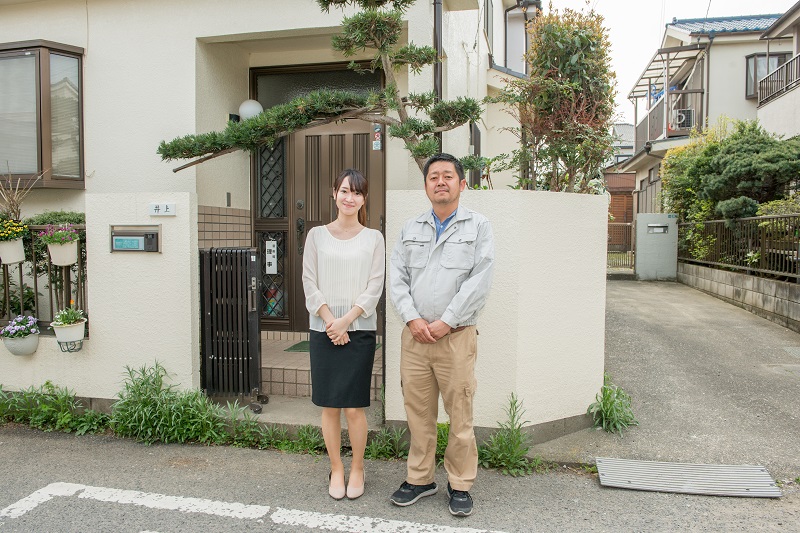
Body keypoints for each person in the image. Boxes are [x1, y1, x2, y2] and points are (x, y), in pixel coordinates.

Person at [389, 153, 494, 517]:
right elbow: (398, 279)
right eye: (433, 177)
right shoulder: (410, 228)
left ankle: (460, 482)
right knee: (418, 413)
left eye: (448, 176)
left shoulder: (478, 227)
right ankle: (420, 478)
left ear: (462, 184)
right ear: (426, 186)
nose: (440, 182)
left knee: (460, 412)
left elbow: (480, 281)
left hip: (456, 337)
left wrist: (447, 321)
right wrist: (413, 319)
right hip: (415, 338)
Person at [302, 168, 385, 501]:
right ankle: (336, 467)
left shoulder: (374, 238)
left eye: (357, 193)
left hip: (359, 331)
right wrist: (329, 320)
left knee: (354, 408)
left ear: (364, 199)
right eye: (345, 191)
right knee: (330, 406)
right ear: (333, 193)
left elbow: (375, 285)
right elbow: (309, 281)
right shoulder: (316, 236)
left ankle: (358, 467)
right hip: (324, 330)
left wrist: (346, 321)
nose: (350, 198)